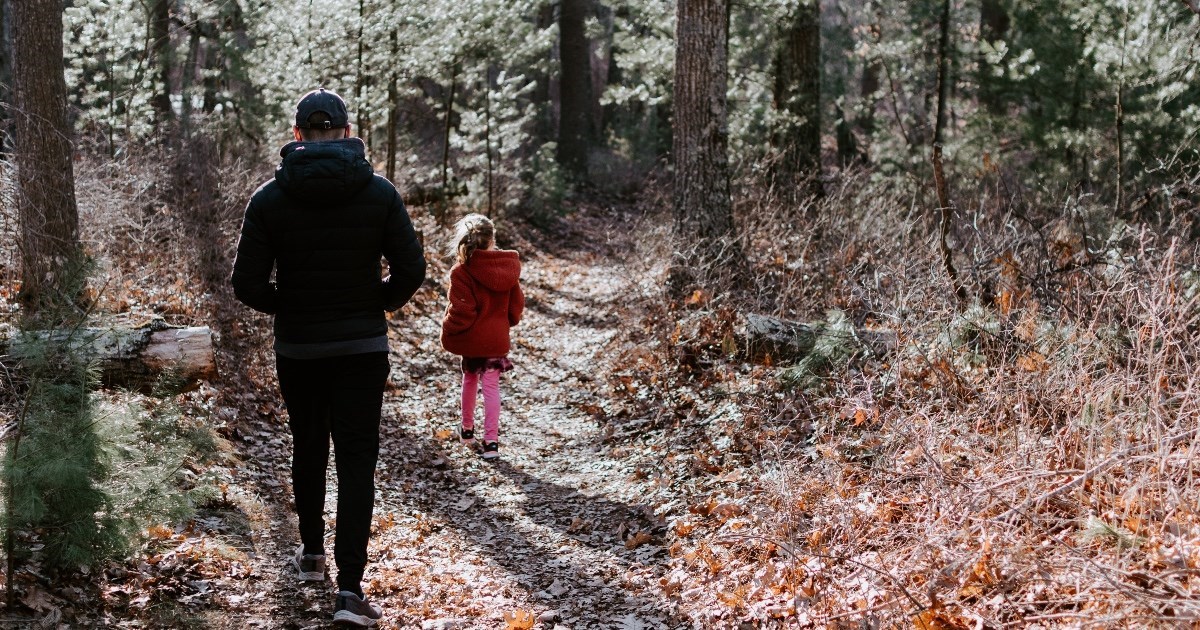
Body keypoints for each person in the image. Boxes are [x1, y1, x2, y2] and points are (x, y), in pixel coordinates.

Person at [230, 88, 425, 628]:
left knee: (308, 443)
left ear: (297, 135)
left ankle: (312, 554)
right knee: (357, 460)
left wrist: (289, 307)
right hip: (362, 347)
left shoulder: (269, 198)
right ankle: (349, 590)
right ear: (344, 133)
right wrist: (375, 305)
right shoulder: (379, 193)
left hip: (299, 347)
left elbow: (245, 282)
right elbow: (412, 270)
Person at [440, 214, 524, 460]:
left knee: (469, 380)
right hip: (496, 339)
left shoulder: (462, 271)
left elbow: (462, 312)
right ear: (492, 239)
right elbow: (516, 306)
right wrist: (502, 324)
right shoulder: (508, 268)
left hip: (472, 340)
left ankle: (467, 431)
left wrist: (448, 327)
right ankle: (492, 443)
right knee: (491, 388)